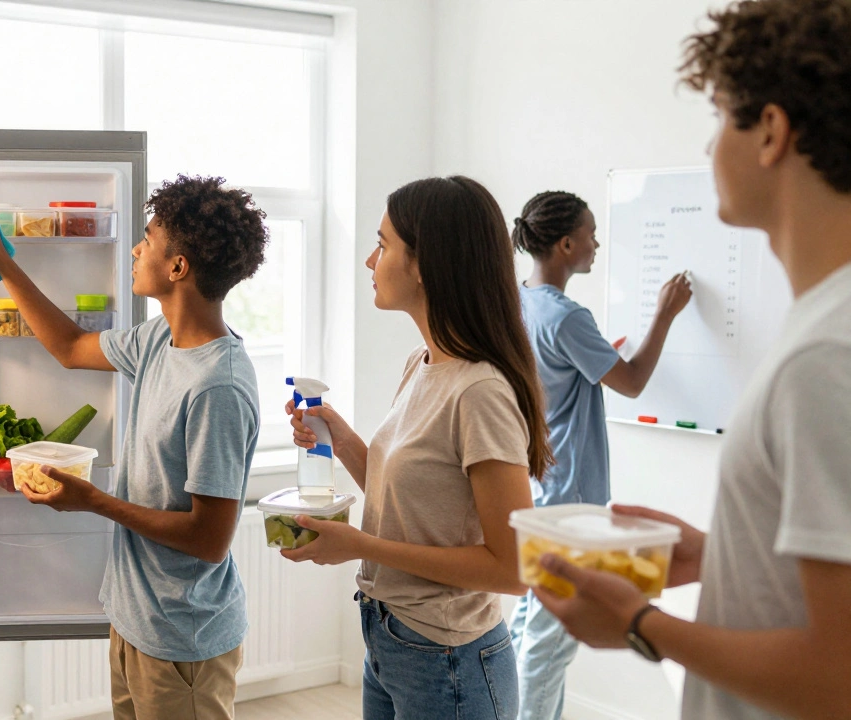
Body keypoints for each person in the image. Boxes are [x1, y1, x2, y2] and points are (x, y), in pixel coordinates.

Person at [533, 1, 851, 718]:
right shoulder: (823, 332)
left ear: (770, 131)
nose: (710, 150)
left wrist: (639, 624)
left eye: (717, 117)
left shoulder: (825, 356)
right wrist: (721, 554)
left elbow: (839, 675)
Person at [0, 174, 267, 720]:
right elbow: (69, 346)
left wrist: (92, 500)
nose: (135, 247)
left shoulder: (218, 385)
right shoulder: (158, 339)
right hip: (135, 620)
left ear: (178, 268)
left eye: (148, 238)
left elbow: (211, 538)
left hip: (183, 639)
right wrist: (1, 261)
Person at [282, 176, 551, 720]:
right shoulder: (422, 364)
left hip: (449, 659)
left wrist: (360, 545)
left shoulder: (480, 391)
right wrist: (337, 435)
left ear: (426, 264)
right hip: (389, 639)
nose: (368, 261)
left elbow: (514, 570)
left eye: (382, 245)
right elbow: (407, 497)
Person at [507, 190, 692, 720]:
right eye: (590, 233)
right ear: (565, 244)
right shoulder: (567, 317)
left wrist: (597, 352)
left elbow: (552, 373)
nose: (597, 242)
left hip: (539, 487)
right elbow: (631, 382)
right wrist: (665, 313)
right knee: (549, 644)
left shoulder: (519, 302)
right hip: (573, 500)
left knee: (529, 625)